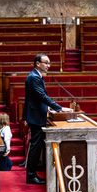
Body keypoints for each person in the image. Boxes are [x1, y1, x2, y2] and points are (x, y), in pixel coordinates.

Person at [23, 53, 72, 184]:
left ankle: (32, 174)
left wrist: (48, 109)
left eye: (49, 63)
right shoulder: (34, 77)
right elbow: (42, 96)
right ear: (38, 64)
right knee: (35, 146)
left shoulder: (36, 76)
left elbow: (37, 98)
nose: (48, 65)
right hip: (36, 116)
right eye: (46, 63)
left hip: (37, 114)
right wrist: (58, 108)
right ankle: (31, 176)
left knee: (36, 146)